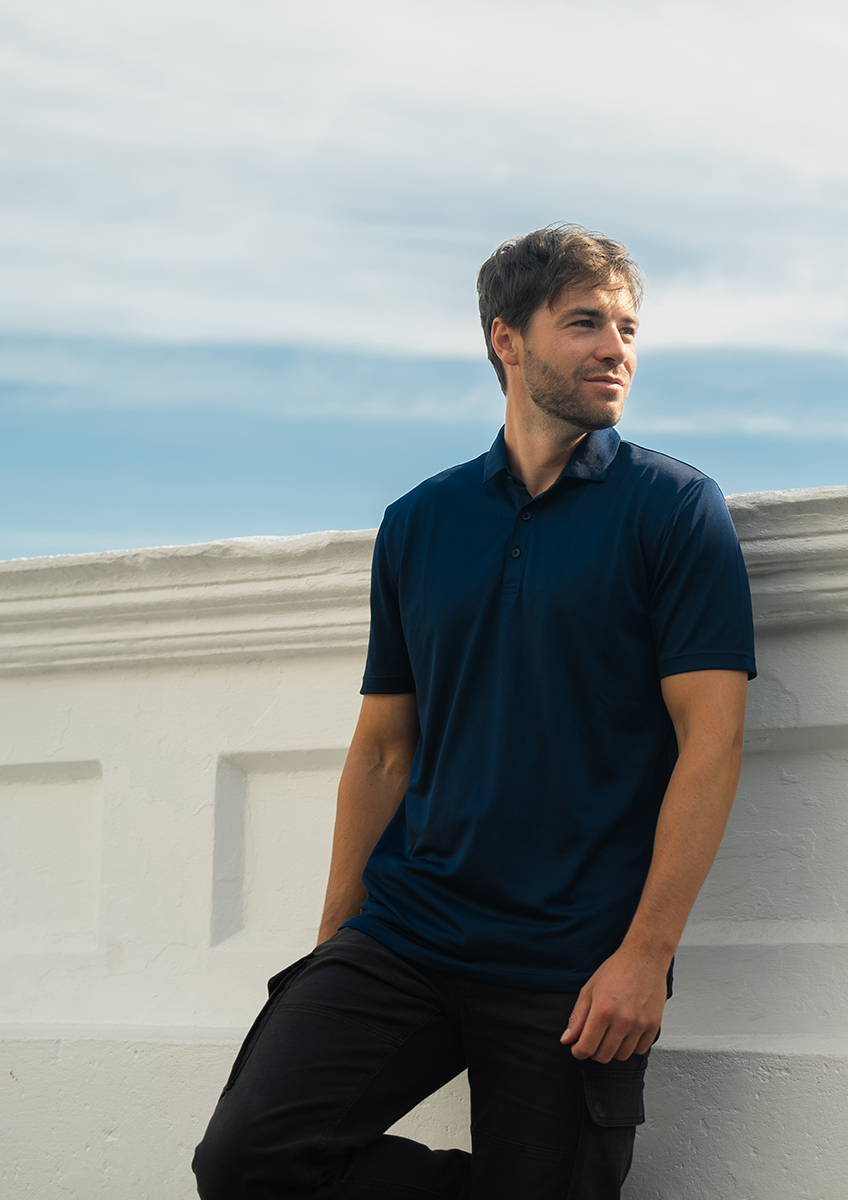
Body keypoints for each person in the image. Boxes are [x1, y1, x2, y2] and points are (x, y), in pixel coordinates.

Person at [192, 224, 756, 1199]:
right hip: (408, 934)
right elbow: (382, 751)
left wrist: (645, 956)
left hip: (572, 964)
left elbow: (713, 739)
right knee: (247, 1162)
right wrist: (337, 942)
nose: (615, 348)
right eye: (584, 323)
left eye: (627, 328)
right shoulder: (420, 522)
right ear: (507, 340)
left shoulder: (673, 508)